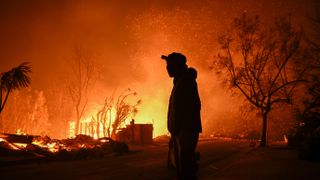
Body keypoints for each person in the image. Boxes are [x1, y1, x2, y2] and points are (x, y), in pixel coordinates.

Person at [161, 52, 202, 179]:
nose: (167, 68)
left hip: (185, 132)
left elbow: (192, 107)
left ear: (177, 66)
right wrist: (174, 133)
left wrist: (183, 131)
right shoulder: (180, 82)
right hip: (180, 132)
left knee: (186, 170)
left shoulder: (186, 82)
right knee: (183, 168)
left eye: (169, 65)